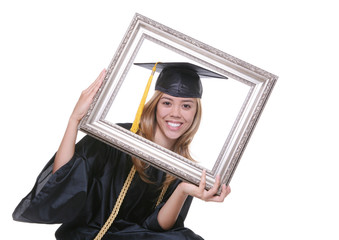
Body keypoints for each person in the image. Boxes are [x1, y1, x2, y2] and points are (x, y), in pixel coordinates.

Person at [13, 62, 231, 240]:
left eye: (186, 105)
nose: (175, 113)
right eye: (167, 102)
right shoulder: (120, 138)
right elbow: (64, 179)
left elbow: (157, 227)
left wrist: (183, 189)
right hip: (94, 233)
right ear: (155, 104)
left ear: (195, 112)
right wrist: (74, 120)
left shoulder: (185, 166)